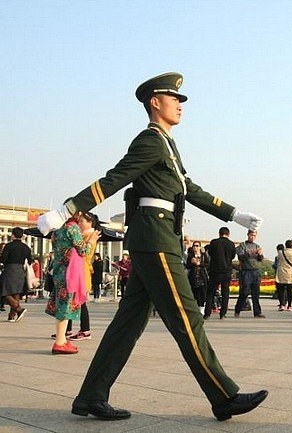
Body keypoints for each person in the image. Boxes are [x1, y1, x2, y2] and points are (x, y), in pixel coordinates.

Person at [37, 72, 267, 421]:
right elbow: (113, 179)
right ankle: (223, 396)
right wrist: (65, 210)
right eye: (175, 99)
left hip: (156, 239)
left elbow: (189, 188)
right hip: (156, 240)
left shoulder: (167, 145)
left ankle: (90, 396)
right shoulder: (150, 141)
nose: (180, 104)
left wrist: (234, 213)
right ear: (155, 103)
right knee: (186, 316)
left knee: (127, 324)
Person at [47, 212, 100, 354]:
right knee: (65, 308)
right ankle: (59, 342)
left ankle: (62, 340)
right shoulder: (73, 228)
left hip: (59, 271)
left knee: (62, 306)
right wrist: (92, 240)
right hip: (70, 273)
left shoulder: (57, 229)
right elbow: (83, 250)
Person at [67, 212, 101, 342]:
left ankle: (85, 330)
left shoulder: (89, 235)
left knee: (80, 301)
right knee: (73, 299)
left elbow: (85, 253)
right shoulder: (84, 234)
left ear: (90, 222)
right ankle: (68, 329)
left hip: (82, 269)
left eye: (82, 221)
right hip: (79, 268)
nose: (79, 223)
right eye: (79, 221)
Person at [0, 227, 32, 322]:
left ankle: (19, 309)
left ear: (13, 235)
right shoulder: (26, 247)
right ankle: (11, 315)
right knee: (16, 292)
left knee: (3, 291)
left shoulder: (9, 246)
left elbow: (3, 260)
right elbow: (30, 261)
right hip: (20, 271)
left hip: (10, 270)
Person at [205, 227, 236, 319]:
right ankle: (222, 314)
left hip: (215, 271)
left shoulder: (214, 242)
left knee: (210, 293)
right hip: (226, 271)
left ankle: (207, 313)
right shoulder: (231, 244)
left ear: (219, 233)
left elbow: (210, 253)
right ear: (228, 234)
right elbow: (233, 256)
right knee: (225, 293)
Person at [235, 229, 265, 318]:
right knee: (244, 292)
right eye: (251, 235)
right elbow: (240, 257)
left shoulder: (257, 246)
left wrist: (260, 255)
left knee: (256, 293)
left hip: (255, 271)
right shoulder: (242, 245)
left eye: (254, 235)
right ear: (248, 235)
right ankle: (238, 309)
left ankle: (257, 312)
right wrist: (249, 253)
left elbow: (260, 259)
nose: (253, 237)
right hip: (246, 271)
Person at [186, 241, 210, 315]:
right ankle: (195, 308)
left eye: (197, 246)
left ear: (200, 247)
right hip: (193, 276)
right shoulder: (190, 256)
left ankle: (202, 308)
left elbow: (208, 264)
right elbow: (187, 266)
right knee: (194, 293)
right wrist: (192, 262)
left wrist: (199, 264)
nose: (195, 247)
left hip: (202, 276)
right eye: (194, 246)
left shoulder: (203, 255)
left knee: (202, 293)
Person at [275, 240, 292, 311]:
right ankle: (289, 306)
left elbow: (278, 259)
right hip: (289, 273)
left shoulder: (280, 253)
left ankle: (281, 305)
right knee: (289, 291)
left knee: (281, 290)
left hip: (281, 273)